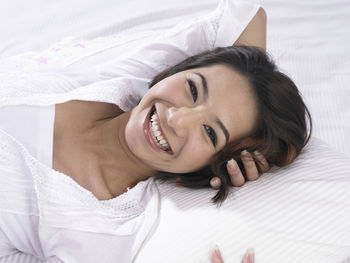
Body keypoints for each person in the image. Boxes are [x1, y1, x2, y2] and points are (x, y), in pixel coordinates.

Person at [0, 4, 311, 263]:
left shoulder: (99, 231)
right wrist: (256, 134)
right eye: (192, 89)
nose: (176, 119)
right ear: (177, 70)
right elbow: (248, 13)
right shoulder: (127, 79)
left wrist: (256, 146)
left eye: (209, 133)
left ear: (214, 162)